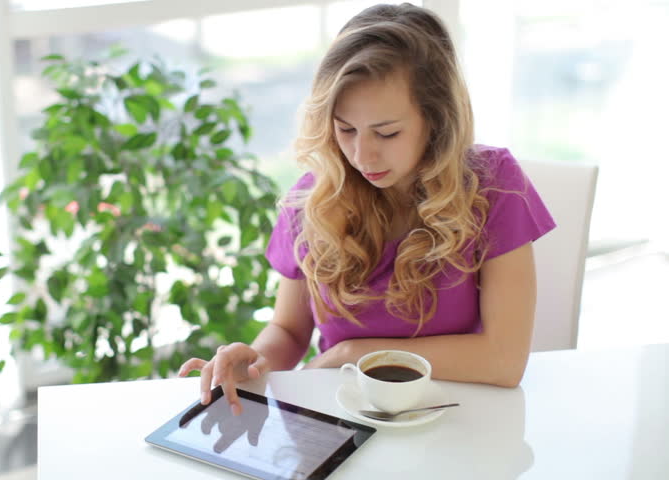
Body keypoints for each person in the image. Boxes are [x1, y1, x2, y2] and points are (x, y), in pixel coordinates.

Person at [178, 2, 555, 416]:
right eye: (346, 129)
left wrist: (355, 354)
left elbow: (504, 361)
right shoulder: (313, 201)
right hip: (335, 419)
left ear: (437, 119)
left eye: (387, 132)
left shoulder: (493, 185)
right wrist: (256, 358)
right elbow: (288, 330)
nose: (363, 155)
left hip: (454, 418)